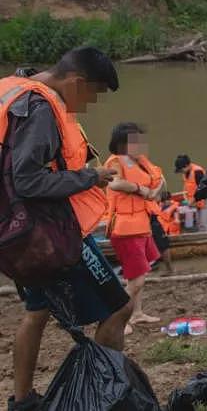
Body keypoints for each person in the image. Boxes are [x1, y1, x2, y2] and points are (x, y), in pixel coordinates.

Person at [4, 47, 132, 411]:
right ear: (77, 82)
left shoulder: (15, 88)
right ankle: (105, 398)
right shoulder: (41, 110)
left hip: (16, 236)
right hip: (50, 234)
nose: (88, 105)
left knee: (37, 312)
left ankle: (23, 401)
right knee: (118, 310)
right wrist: (90, 177)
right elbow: (26, 180)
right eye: (92, 95)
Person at [105, 122, 164, 335]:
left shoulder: (140, 162)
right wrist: (142, 189)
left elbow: (158, 183)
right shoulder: (115, 161)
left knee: (136, 276)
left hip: (142, 224)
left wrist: (155, 189)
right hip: (125, 228)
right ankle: (116, 319)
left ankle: (137, 314)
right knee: (137, 280)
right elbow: (115, 184)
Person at [174, 155, 207, 232]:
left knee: (203, 222)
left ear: (187, 165)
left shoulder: (198, 172)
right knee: (198, 221)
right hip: (196, 200)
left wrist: (191, 201)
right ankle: (201, 235)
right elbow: (187, 187)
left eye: (181, 169)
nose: (181, 171)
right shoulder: (185, 172)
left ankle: (206, 237)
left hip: (206, 198)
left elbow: (203, 190)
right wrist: (186, 197)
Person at [146, 191, 175, 275]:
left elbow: (157, 197)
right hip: (147, 220)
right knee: (161, 245)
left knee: (163, 246)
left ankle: (169, 269)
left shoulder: (146, 191)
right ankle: (153, 264)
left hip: (152, 220)